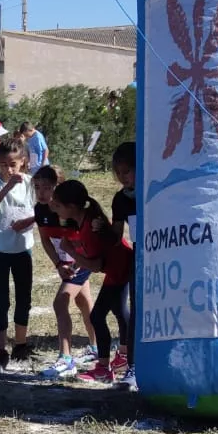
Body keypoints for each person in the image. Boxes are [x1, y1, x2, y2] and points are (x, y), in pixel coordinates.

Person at [54, 180, 131, 383]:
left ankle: (105, 368)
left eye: (58, 205)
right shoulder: (84, 219)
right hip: (118, 267)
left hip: (120, 269)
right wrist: (75, 264)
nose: (55, 208)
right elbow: (92, 256)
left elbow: (96, 265)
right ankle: (123, 356)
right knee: (119, 310)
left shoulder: (89, 227)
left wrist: (70, 251)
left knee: (98, 316)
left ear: (71, 207)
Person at [0, 141, 39, 367]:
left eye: (13, 164)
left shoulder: (31, 183)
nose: (8, 169)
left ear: (23, 162)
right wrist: (6, 188)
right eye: (3, 164)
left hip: (23, 248)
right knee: (1, 299)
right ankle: (2, 348)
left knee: (24, 297)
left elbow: (43, 210)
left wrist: (29, 221)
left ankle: (21, 345)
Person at [36, 164, 96, 380]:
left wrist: (75, 265)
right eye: (37, 187)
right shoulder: (40, 209)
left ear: (59, 188)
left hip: (82, 261)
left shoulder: (70, 210)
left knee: (60, 302)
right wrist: (58, 264)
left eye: (47, 187)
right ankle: (96, 347)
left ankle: (66, 359)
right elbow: (45, 239)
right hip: (66, 263)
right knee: (84, 302)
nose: (41, 193)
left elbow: (87, 242)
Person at [99, 141, 139, 386]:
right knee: (136, 308)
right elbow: (116, 234)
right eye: (118, 172)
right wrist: (99, 231)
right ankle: (133, 367)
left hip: (163, 252)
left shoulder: (154, 189)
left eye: (127, 171)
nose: (123, 177)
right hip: (138, 256)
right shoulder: (120, 199)